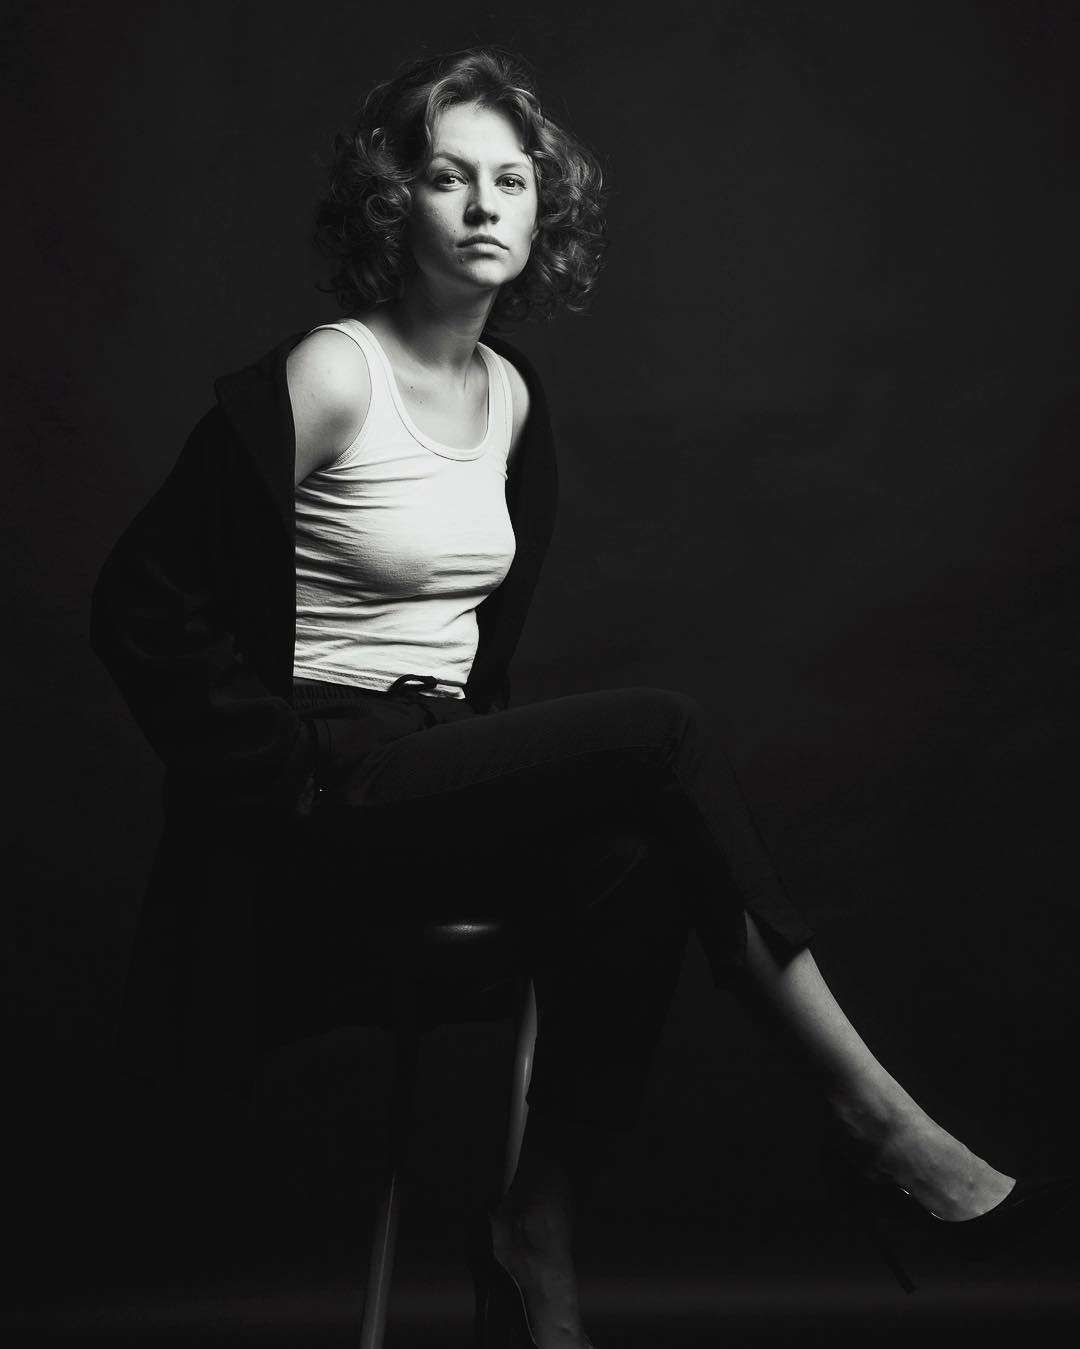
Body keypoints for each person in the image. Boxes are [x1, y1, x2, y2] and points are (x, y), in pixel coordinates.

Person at [91, 46, 1067, 1349]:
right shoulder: (333, 376)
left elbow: (471, 656)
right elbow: (140, 603)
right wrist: (283, 766)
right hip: (326, 774)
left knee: (636, 864)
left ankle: (533, 1238)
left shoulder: (510, 400)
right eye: (448, 178)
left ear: (543, 208)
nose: (484, 205)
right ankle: (874, 1116)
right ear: (393, 202)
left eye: (511, 180)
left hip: (433, 763)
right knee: (664, 732)